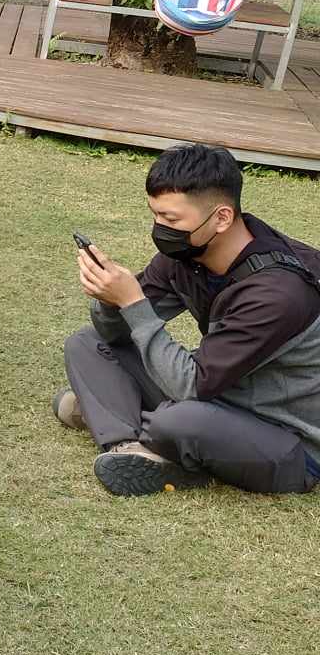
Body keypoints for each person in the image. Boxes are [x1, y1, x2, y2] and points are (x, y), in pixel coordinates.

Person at [60, 143, 320, 497]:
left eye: (171, 220)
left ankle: (118, 415)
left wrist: (132, 301)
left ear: (222, 218)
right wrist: (109, 301)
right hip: (220, 398)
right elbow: (115, 334)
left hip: (288, 443)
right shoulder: (188, 254)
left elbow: (192, 386)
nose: (160, 228)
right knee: (86, 344)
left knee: (180, 420)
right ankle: (129, 448)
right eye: (155, 215)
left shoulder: (277, 294)